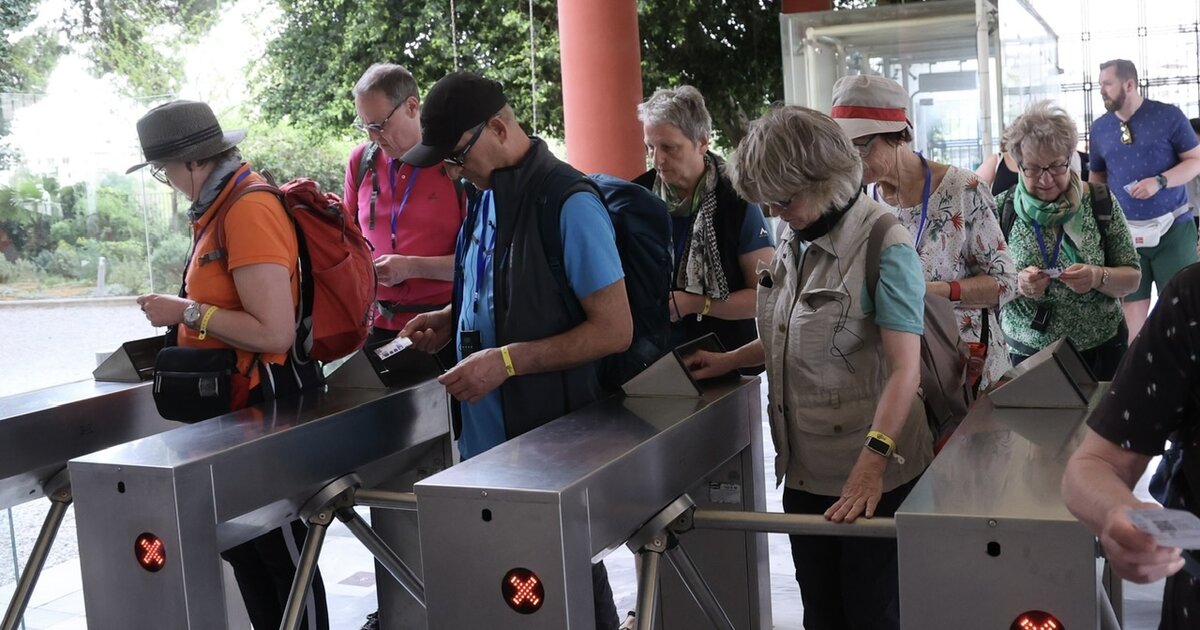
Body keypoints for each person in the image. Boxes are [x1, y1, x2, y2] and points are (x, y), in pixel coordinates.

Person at [397, 72, 631, 630]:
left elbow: (613, 329)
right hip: (487, 442)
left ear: (498, 128)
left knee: (566, 584)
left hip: (546, 442)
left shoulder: (568, 202)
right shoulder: (485, 198)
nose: (453, 174)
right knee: (508, 592)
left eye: (457, 158)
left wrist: (505, 362)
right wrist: (450, 319)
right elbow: (503, 292)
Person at [687, 105, 931, 630]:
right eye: (767, 201)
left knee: (871, 615)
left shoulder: (884, 243)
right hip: (806, 468)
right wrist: (730, 360)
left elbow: (904, 372)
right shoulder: (793, 236)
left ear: (825, 180)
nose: (775, 211)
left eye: (784, 199)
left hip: (875, 471)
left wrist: (872, 464)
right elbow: (788, 331)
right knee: (821, 613)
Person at [128, 100, 328, 629]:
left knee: (283, 555)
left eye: (164, 169)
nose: (167, 180)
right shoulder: (216, 207)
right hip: (231, 408)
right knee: (246, 549)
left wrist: (186, 311)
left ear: (195, 161)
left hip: (262, 406)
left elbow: (274, 331)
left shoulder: (248, 208)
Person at [831, 74, 1017, 391]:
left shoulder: (962, 189)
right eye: (844, 148)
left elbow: (1006, 283)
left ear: (897, 135)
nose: (853, 160)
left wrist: (930, 292)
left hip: (966, 370)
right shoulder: (859, 201)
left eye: (860, 146)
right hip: (896, 374)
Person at [1062, 263, 1200, 630]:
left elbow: (1130, 275)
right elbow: (1095, 463)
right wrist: (1119, 515)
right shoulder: (1193, 298)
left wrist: (1098, 277)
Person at [995, 101, 1141, 379]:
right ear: (1018, 165)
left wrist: (1098, 277)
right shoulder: (1002, 208)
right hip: (1027, 355)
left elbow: (1133, 278)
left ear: (1070, 159)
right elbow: (983, 282)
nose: (1046, 179)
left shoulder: (1100, 201)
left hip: (1102, 350)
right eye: (1033, 169)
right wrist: (1017, 283)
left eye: (1056, 167)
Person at [633, 86, 774, 355]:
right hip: (651, 356)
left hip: (726, 355)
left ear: (702, 142)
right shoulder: (636, 197)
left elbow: (764, 296)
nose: (657, 159)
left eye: (669, 147)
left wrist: (698, 303)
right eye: (650, 147)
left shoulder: (737, 198)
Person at [345, 63, 465, 347]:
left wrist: (411, 267)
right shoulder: (361, 161)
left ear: (412, 107)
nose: (373, 136)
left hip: (443, 323)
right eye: (365, 126)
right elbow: (346, 237)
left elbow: (480, 261)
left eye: (379, 125)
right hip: (374, 323)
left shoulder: (455, 163)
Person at [1089, 59, 1200, 342]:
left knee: (1183, 311)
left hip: (1173, 227)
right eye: (1100, 84)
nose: (1101, 90)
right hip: (1124, 233)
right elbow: (1097, 176)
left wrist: (1160, 181)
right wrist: (1094, 219)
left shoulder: (1169, 116)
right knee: (1130, 318)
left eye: (1107, 84)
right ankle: (1136, 369)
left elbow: (1196, 160)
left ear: (1129, 84)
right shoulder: (1100, 128)